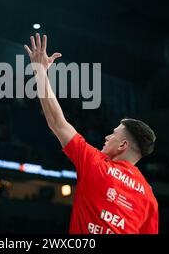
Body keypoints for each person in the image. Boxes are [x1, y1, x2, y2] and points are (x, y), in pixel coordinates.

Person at [24, 33, 158, 234]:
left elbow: (58, 123)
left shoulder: (95, 164)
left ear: (123, 145)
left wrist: (40, 71)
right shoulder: (149, 198)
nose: (106, 137)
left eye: (113, 134)